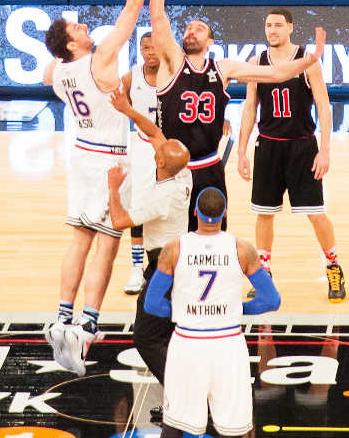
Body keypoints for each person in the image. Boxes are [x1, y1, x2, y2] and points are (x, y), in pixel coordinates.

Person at [41, 0, 168, 376]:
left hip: (80, 154)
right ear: (72, 43)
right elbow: (132, 9)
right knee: (108, 243)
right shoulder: (97, 60)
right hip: (110, 156)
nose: (85, 26)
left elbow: (48, 69)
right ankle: (87, 326)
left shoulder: (57, 72)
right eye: (77, 28)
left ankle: (61, 317)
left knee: (79, 237)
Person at [149, 0, 325, 233]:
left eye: (199, 28)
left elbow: (276, 74)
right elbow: (157, 15)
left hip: (209, 166)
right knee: (170, 239)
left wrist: (310, 60)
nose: (192, 30)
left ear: (210, 41)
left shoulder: (223, 67)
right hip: (173, 167)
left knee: (214, 236)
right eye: (189, 27)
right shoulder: (171, 63)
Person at [142, 186, 281, 438]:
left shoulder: (174, 249)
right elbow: (272, 300)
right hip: (228, 343)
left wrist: (181, 311)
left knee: (175, 422)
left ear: (194, 212)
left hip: (187, 342)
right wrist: (238, 309)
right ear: (224, 213)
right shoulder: (242, 249)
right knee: (234, 427)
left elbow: (151, 304)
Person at [236, 9, 344, 302]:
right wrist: (242, 150)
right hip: (268, 147)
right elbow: (250, 108)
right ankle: (264, 273)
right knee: (264, 214)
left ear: (290, 28)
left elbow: (323, 106)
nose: (272, 30)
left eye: (278, 25)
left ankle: (334, 266)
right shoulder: (256, 63)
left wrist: (325, 150)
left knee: (316, 214)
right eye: (268, 25)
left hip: (302, 147)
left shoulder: (307, 60)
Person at [104, 74, 193, 382]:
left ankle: (179, 393)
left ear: (160, 162)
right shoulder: (183, 174)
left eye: (159, 152)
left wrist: (113, 188)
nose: (157, 148)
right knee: (171, 336)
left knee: (145, 338)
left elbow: (119, 221)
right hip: (180, 262)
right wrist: (127, 110)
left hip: (164, 271)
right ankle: (182, 391)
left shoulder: (160, 199)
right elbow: (154, 131)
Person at [112, 37, 173, 297]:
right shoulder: (131, 77)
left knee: (169, 208)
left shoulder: (173, 74)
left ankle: (165, 264)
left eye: (154, 47)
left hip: (169, 146)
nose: (150, 52)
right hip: (141, 147)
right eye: (145, 48)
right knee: (138, 208)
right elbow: (117, 106)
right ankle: (137, 268)